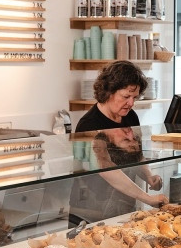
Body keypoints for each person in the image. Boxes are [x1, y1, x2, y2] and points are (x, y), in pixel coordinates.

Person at [68, 61, 167, 225]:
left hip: (125, 204)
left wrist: (149, 177)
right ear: (108, 92)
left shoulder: (131, 116)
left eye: (134, 97)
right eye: (126, 96)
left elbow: (137, 155)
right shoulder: (89, 125)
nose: (131, 103)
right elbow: (107, 170)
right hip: (91, 210)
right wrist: (147, 198)